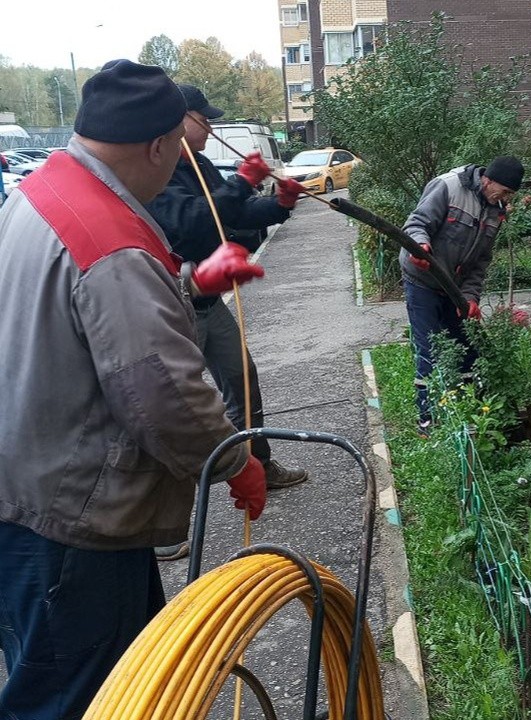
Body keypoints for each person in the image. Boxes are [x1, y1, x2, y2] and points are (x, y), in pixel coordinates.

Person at [0, 59, 267, 719]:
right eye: (176, 148)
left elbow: (82, 320)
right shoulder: (111, 241)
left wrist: (188, 285)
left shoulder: (38, 196)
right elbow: (164, 397)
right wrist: (236, 462)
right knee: (78, 699)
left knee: (119, 682)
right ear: (156, 146)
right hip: (74, 520)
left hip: (27, 498)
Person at [146, 84, 309, 513]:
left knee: (242, 380)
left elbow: (233, 214)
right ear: (181, 121)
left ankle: (258, 465)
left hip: (208, 303)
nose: (210, 126)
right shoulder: (159, 173)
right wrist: (240, 181)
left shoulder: (198, 163)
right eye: (204, 118)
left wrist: (279, 203)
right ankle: (164, 513)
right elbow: (192, 226)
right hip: (173, 305)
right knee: (168, 406)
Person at [399, 156, 524, 434]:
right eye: (502, 191)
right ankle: (428, 419)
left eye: (510, 195)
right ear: (487, 179)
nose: (504, 198)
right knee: (429, 347)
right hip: (422, 279)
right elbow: (416, 224)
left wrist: (470, 298)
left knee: (466, 348)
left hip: (455, 287)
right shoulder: (448, 187)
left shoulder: (496, 210)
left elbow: (480, 261)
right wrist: (420, 247)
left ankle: (471, 410)